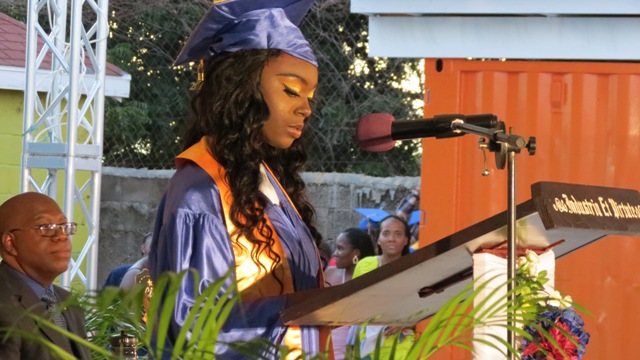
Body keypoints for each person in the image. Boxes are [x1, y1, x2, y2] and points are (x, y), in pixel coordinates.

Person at [148, 0, 330, 358]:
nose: (306, 108)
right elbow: (193, 328)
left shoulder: (267, 186)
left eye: (310, 96)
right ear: (242, 91)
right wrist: (312, 308)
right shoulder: (199, 194)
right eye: (291, 90)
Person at [0, 192, 90, 359]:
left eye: (64, 226)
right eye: (45, 228)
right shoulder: (4, 306)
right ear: (10, 243)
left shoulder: (67, 302)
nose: (62, 236)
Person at [347, 215, 415, 360]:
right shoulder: (364, 265)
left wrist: (405, 322)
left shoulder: (414, 269)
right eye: (386, 233)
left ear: (405, 240)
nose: (392, 238)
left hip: (399, 347)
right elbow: (352, 302)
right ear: (378, 239)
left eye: (398, 234)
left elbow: (424, 308)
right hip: (366, 343)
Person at [324, 228, 376, 360]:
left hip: (364, 346)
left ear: (356, 254)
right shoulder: (329, 275)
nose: (335, 253)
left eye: (340, 248)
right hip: (329, 346)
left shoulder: (372, 277)